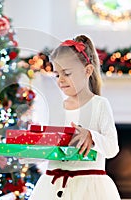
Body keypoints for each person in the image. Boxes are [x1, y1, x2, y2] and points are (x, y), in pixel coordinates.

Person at [24, 35, 120, 200]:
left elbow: (112, 148)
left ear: (87, 71)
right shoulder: (55, 108)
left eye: (67, 73)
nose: (60, 80)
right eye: (57, 74)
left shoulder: (99, 105)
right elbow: (49, 148)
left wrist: (91, 136)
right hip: (52, 187)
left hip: (90, 189)